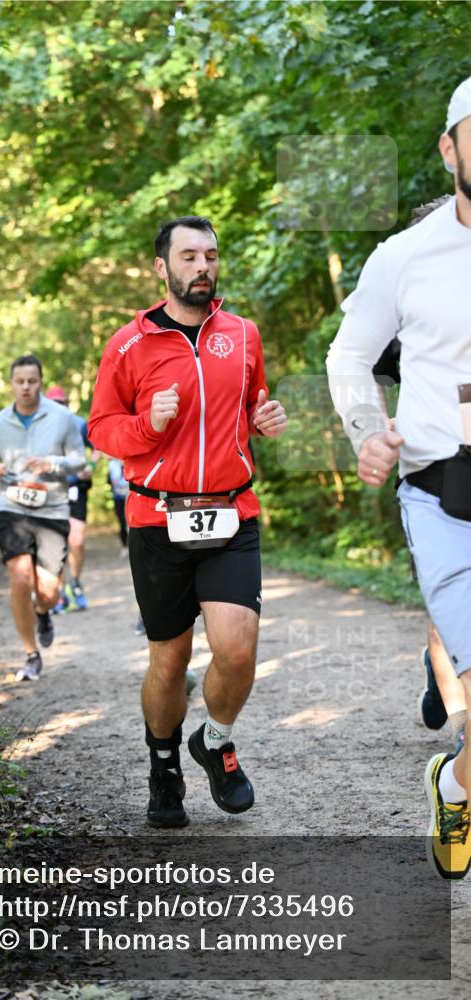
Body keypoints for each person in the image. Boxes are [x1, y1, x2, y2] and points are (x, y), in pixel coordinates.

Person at [88, 215, 287, 828]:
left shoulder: (242, 334)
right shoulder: (129, 344)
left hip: (231, 511)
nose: (203, 266)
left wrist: (262, 419)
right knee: (169, 661)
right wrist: (147, 425)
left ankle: (217, 741)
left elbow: (246, 408)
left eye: (211, 256)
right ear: (162, 268)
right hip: (157, 518)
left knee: (237, 648)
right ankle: (165, 765)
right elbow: (100, 428)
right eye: (189, 256)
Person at [327, 78, 471, 880]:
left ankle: (454, 781)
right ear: (449, 149)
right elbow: (349, 356)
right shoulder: (405, 256)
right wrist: (365, 432)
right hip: (445, 495)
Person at [371, 197, 467, 754]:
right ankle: (462, 730)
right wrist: (375, 426)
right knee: (441, 598)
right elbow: (369, 372)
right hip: (432, 471)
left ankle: (443, 673)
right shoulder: (400, 304)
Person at [0, 354, 85, 681]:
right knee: (20, 578)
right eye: (20, 382)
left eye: (32, 381)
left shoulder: (62, 417)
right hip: (12, 508)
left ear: (40, 381)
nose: (26, 387)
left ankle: (43, 612)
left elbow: (79, 460)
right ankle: (30, 654)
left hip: (52, 508)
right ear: (11, 384)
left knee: (49, 592)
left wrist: (54, 463)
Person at [45, 385, 100, 611]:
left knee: (76, 541)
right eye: (55, 404)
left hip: (77, 488)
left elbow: (98, 447)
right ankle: (59, 592)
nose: (59, 408)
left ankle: (75, 583)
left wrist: (91, 466)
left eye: (63, 403)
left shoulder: (79, 423)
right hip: (51, 491)